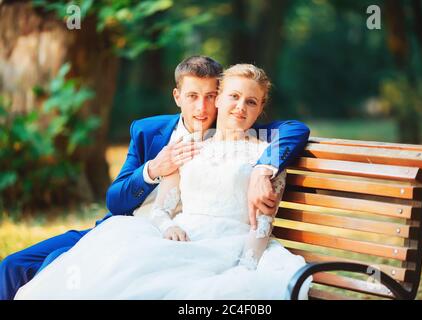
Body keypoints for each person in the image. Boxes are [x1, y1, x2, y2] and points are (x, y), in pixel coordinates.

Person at [0, 56, 310, 300]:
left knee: (71, 269)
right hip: (140, 231)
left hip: (215, 243)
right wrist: (152, 171)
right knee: (18, 267)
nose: (202, 108)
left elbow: (294, 130)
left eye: (209, 96)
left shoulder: (262, 143)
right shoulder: (156, 134)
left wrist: (262, 167)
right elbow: (118, 199)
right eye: (192, 96)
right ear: (178, 96)